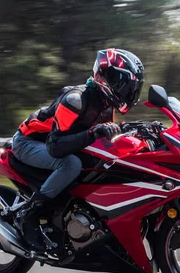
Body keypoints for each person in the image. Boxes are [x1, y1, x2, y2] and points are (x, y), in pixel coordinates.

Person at [11, 48, 145, 252]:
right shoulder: (76, 99)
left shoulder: (106, 105)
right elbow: (55, 146)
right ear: (103, 75)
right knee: (71, 164)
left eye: (129, 86)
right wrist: (94, 133)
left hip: (58, 143)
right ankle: (30, 214)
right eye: (121, 82)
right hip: (29, 142)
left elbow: (105, 139)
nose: (125, 90)